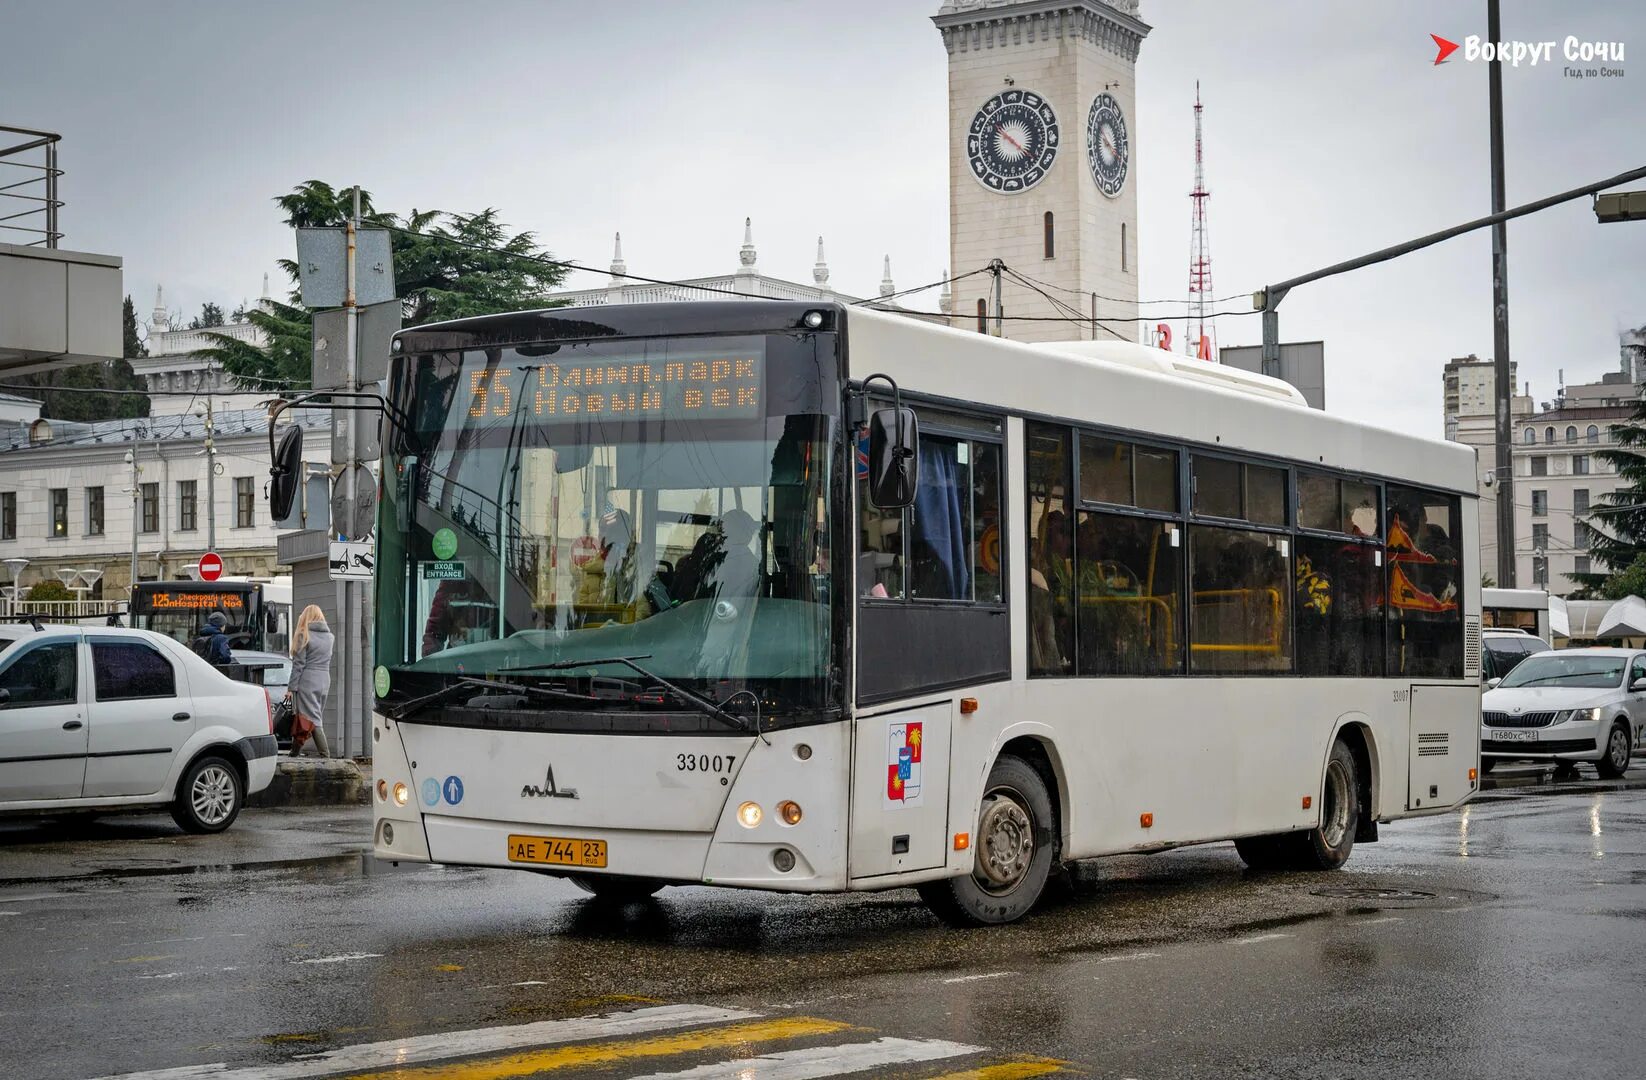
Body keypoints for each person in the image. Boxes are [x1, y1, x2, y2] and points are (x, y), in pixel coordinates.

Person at [285, 605, 335, 758]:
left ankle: (325, 754)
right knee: (308, 716)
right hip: (324, 679)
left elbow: (299, 664)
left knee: (312, 718)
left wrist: (291, 688)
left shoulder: (303, 635)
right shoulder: (330, 637)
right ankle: (294, 752)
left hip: (308, 680)